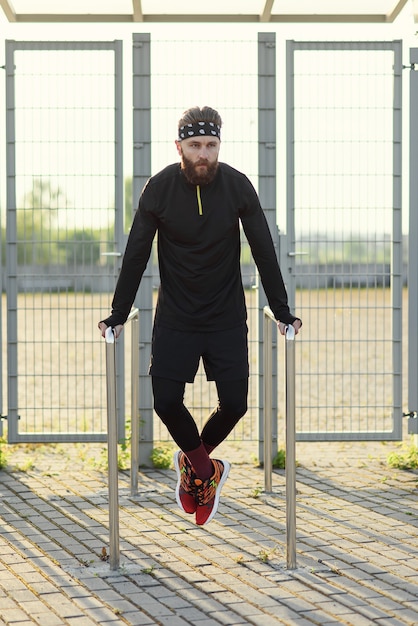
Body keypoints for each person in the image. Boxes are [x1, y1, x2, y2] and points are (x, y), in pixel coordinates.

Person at [99, 105, 301, 526]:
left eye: (211, 145)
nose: (204, 154)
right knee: (166, 400)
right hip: (176, 315)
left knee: (236, 404)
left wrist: (282, 311)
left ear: (219, 146)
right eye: (195, 146)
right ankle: (207, 472)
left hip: (226, 314)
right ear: (179, 148)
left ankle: (195, 467)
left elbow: (264, 250)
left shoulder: (237, 187)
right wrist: (118, 314)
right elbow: (136, 254)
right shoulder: (159, 189)